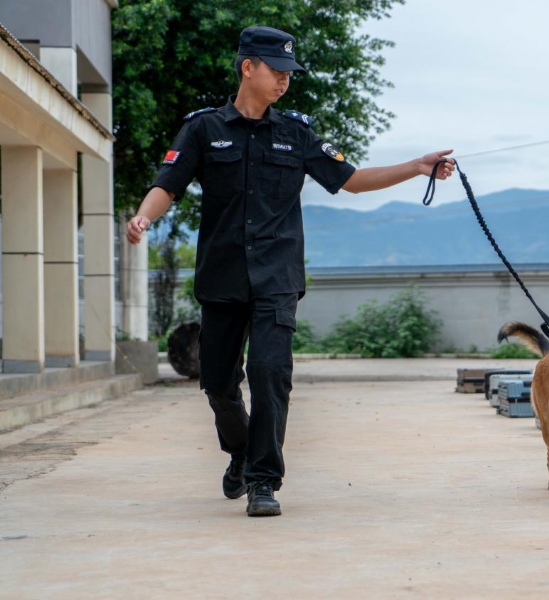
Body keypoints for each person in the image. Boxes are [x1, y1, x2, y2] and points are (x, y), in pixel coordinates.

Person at [126, 26, 455, 517]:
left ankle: (263, 481)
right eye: (277, 70)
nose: (285, 80)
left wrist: (416, 166)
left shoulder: (296, 133)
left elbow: (351, 180)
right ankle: (241, 452)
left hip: (277, 278)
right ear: (248, 68)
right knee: (218, 383)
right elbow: (167, 183)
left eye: (289, 73)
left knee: (269, 374)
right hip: (222, 278)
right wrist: (144, 217)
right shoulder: (203, 129)